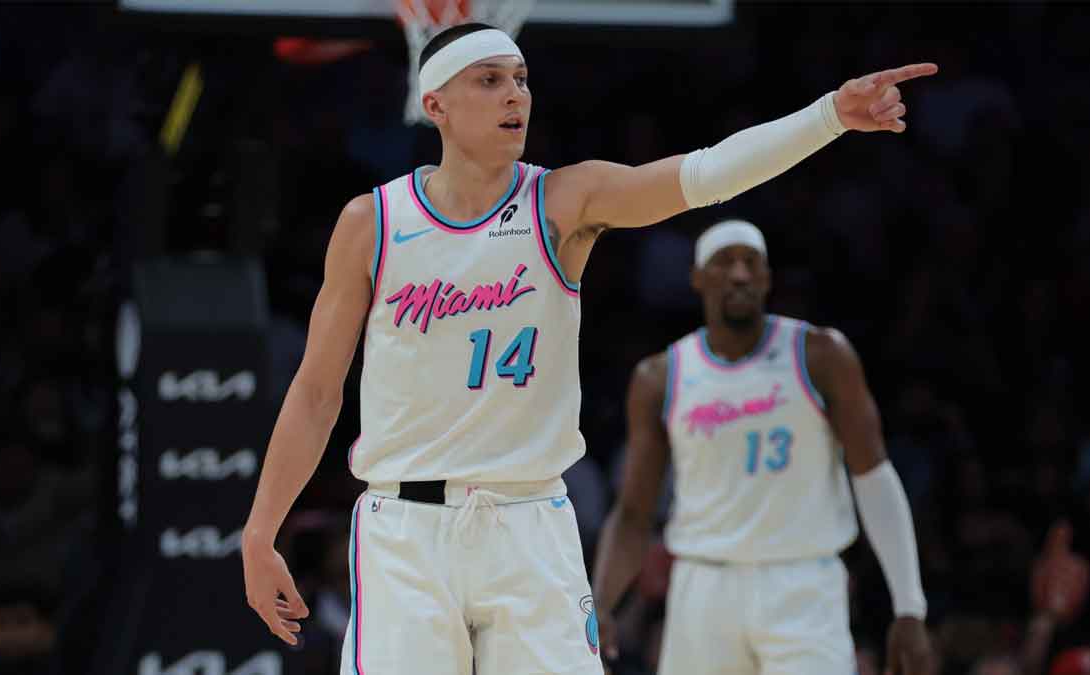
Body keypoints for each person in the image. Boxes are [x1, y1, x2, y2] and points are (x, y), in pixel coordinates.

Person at [240, 20, 936, 675]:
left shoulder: (563, 201)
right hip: (404, 527)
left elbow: (708, 174)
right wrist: (260, 528)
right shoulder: (373, 221)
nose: (515, 94)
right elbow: (316, 391)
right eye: (489, 80)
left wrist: (829, 117)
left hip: (529, 522)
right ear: (436, 103)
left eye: (521, 79)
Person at [592, 219, 936, 674]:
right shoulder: (661, 377)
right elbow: (634, 512)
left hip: (803, 583)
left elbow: (874, 477)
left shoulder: (821, 355)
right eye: (724, 263)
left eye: (751, 263)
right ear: (697, 279)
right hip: (703, 586)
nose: (739, 274)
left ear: (768, 278)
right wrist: (600, 601)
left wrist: (909, 605)